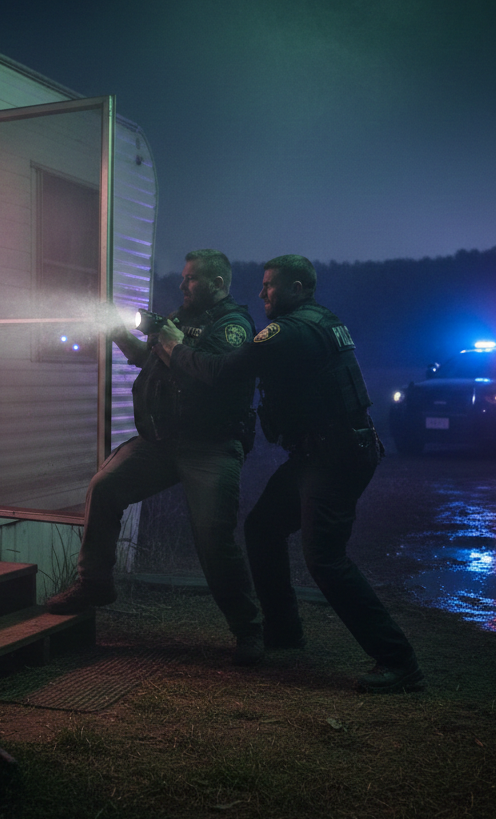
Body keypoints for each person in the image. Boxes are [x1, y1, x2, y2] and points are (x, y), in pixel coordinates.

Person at [154, 254, 423, 692]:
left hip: (335, 458)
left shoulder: (290, 331)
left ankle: (399, 661)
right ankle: (284, 631)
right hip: (322, 454)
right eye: (261, 286)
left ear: (298, 288)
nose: (261, 294)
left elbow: (221, 371)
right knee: (262, 529)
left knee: (326, 560)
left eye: (270, 286)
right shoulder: (320, 319)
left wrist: (172, 346)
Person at [46, 249, 265, 665]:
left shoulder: (233, 326)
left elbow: (210, 374)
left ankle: (248, 630)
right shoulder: (180, 321)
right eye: (183, 278)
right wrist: (118, 333)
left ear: (218, 284)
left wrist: (173, 344)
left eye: (192, 280)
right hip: (162, 441)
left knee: (212, 539)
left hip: (210, 447)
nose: (182, 286)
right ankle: (94, 584)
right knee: (105, 486)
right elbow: (153, 362)